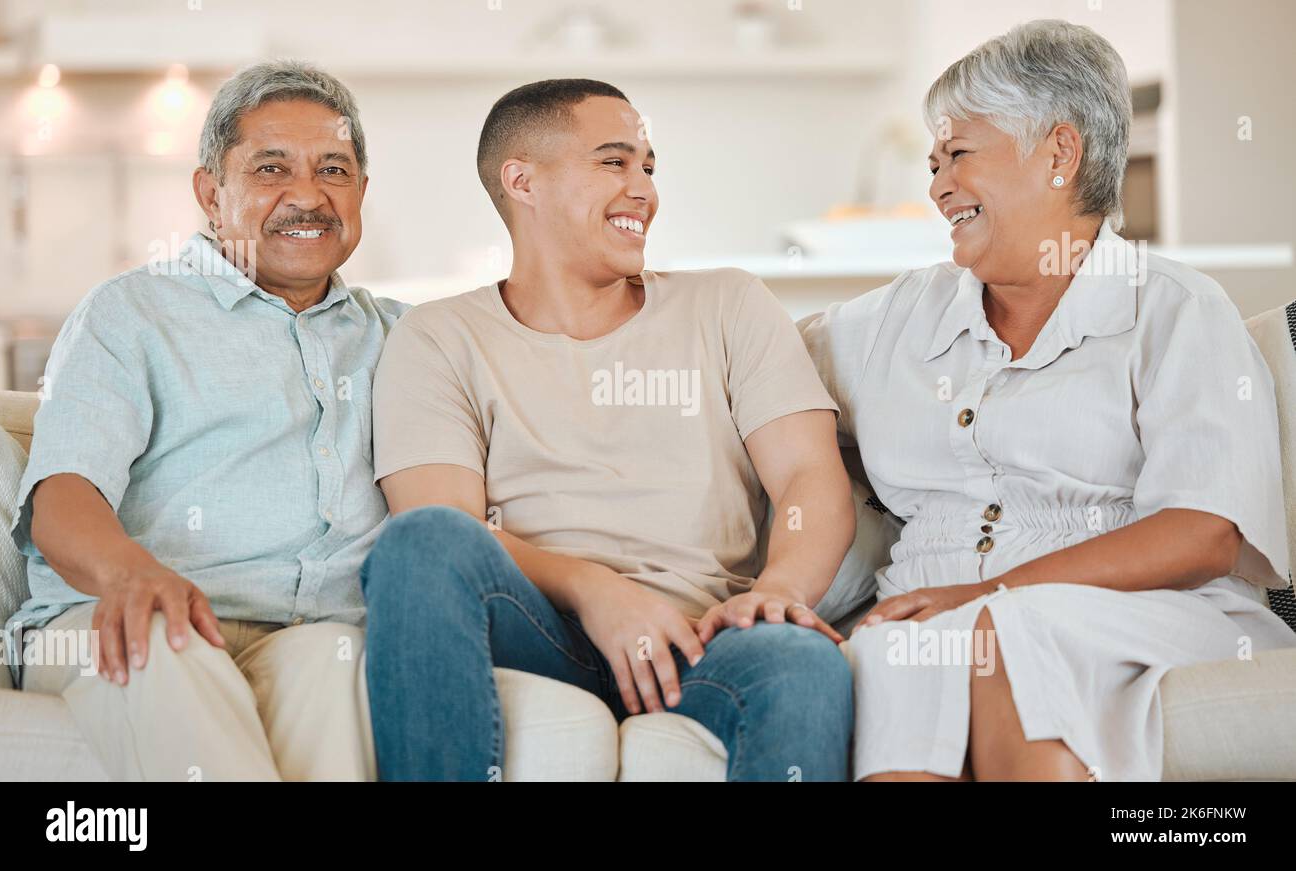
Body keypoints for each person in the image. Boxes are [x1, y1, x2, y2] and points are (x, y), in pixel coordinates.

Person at [800, 19, 1296, 782]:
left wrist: (986, 592)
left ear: (1060, 154)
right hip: (930, 611)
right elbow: (751, 366)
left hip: (1144, 612)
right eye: (933, 163)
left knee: (1000, 632)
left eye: (959, 154)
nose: (937, 186)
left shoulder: (1174, 309)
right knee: (902, 646)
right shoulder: (895, 319)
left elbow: (1204, 533)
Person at [362, 79, 855, 781]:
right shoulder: (437, 337)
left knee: (800, 660)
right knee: (419, 542)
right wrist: (597, 590)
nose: (643, 190)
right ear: (522, 180)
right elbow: (444, 523)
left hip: (699, 637)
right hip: (536, 628)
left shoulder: (728, 304)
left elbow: (810, 477)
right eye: (613, 162)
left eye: (648, 167)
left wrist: (778, 590)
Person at [11, 61, 406, 781]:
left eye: (334, 170)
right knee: (170, 643)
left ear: (362, 193)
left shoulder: (401, 339)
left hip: (306, 633)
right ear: (210, 194)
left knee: (335, 656)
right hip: (125, 619)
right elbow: (61, 499)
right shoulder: (132, 312)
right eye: (271, 168)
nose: (308, 196)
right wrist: (133, 575)